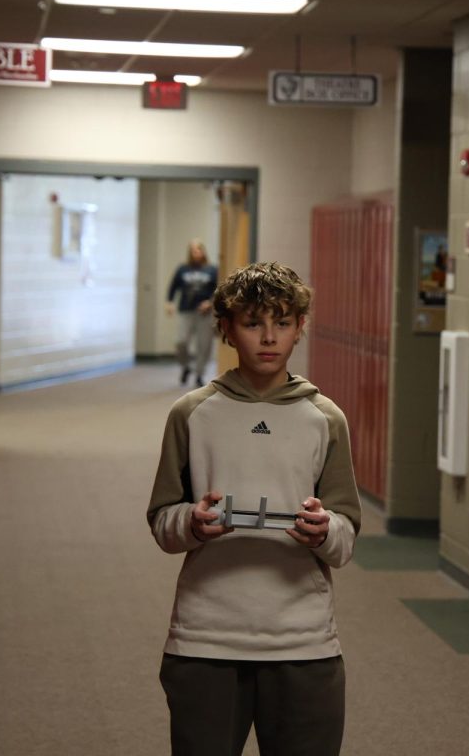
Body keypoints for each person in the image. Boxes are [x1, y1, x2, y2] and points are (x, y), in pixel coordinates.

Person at [147, 261, 361, 756]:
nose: (269, 338)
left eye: (282, 323)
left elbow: (346, 535)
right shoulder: (192, 414)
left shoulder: (324, 418)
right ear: (226, 329)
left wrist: (324, 530)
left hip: (303, 641)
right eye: (253, 323)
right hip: (205, 638)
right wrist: (193, 524)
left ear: (299, 328)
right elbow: (163, 522)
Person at [166, 239, 219, 387]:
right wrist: (169, 302)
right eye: (193, 250)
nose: (196, 253)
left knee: (204, 345)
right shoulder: (183, 269)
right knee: (180, 341)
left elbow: (219, 290)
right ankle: (186, 366)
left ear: (203, 251)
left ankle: (200, 374)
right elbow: (173, 286)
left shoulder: (211, 269)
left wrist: (210, 302)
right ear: (190, 253)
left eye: (199, 250)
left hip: (204, 313)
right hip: (186, 311)